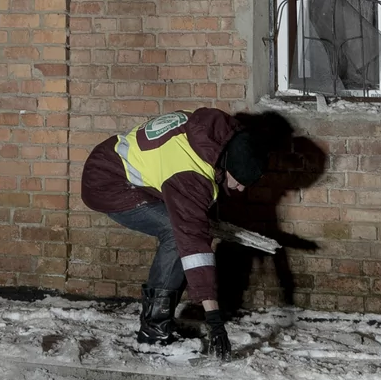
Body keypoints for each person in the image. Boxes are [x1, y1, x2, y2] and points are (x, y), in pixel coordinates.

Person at [79, 107, 274, 358]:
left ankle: (160, 322)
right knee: (176, 233)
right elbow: (192, 243)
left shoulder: (218, 134)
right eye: (239, 181)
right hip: (107, 183)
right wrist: (214, 318)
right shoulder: (189, 174)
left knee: (188, 227)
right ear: (229, 166)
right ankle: (154, 333)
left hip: (112, 160)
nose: (240, 189)